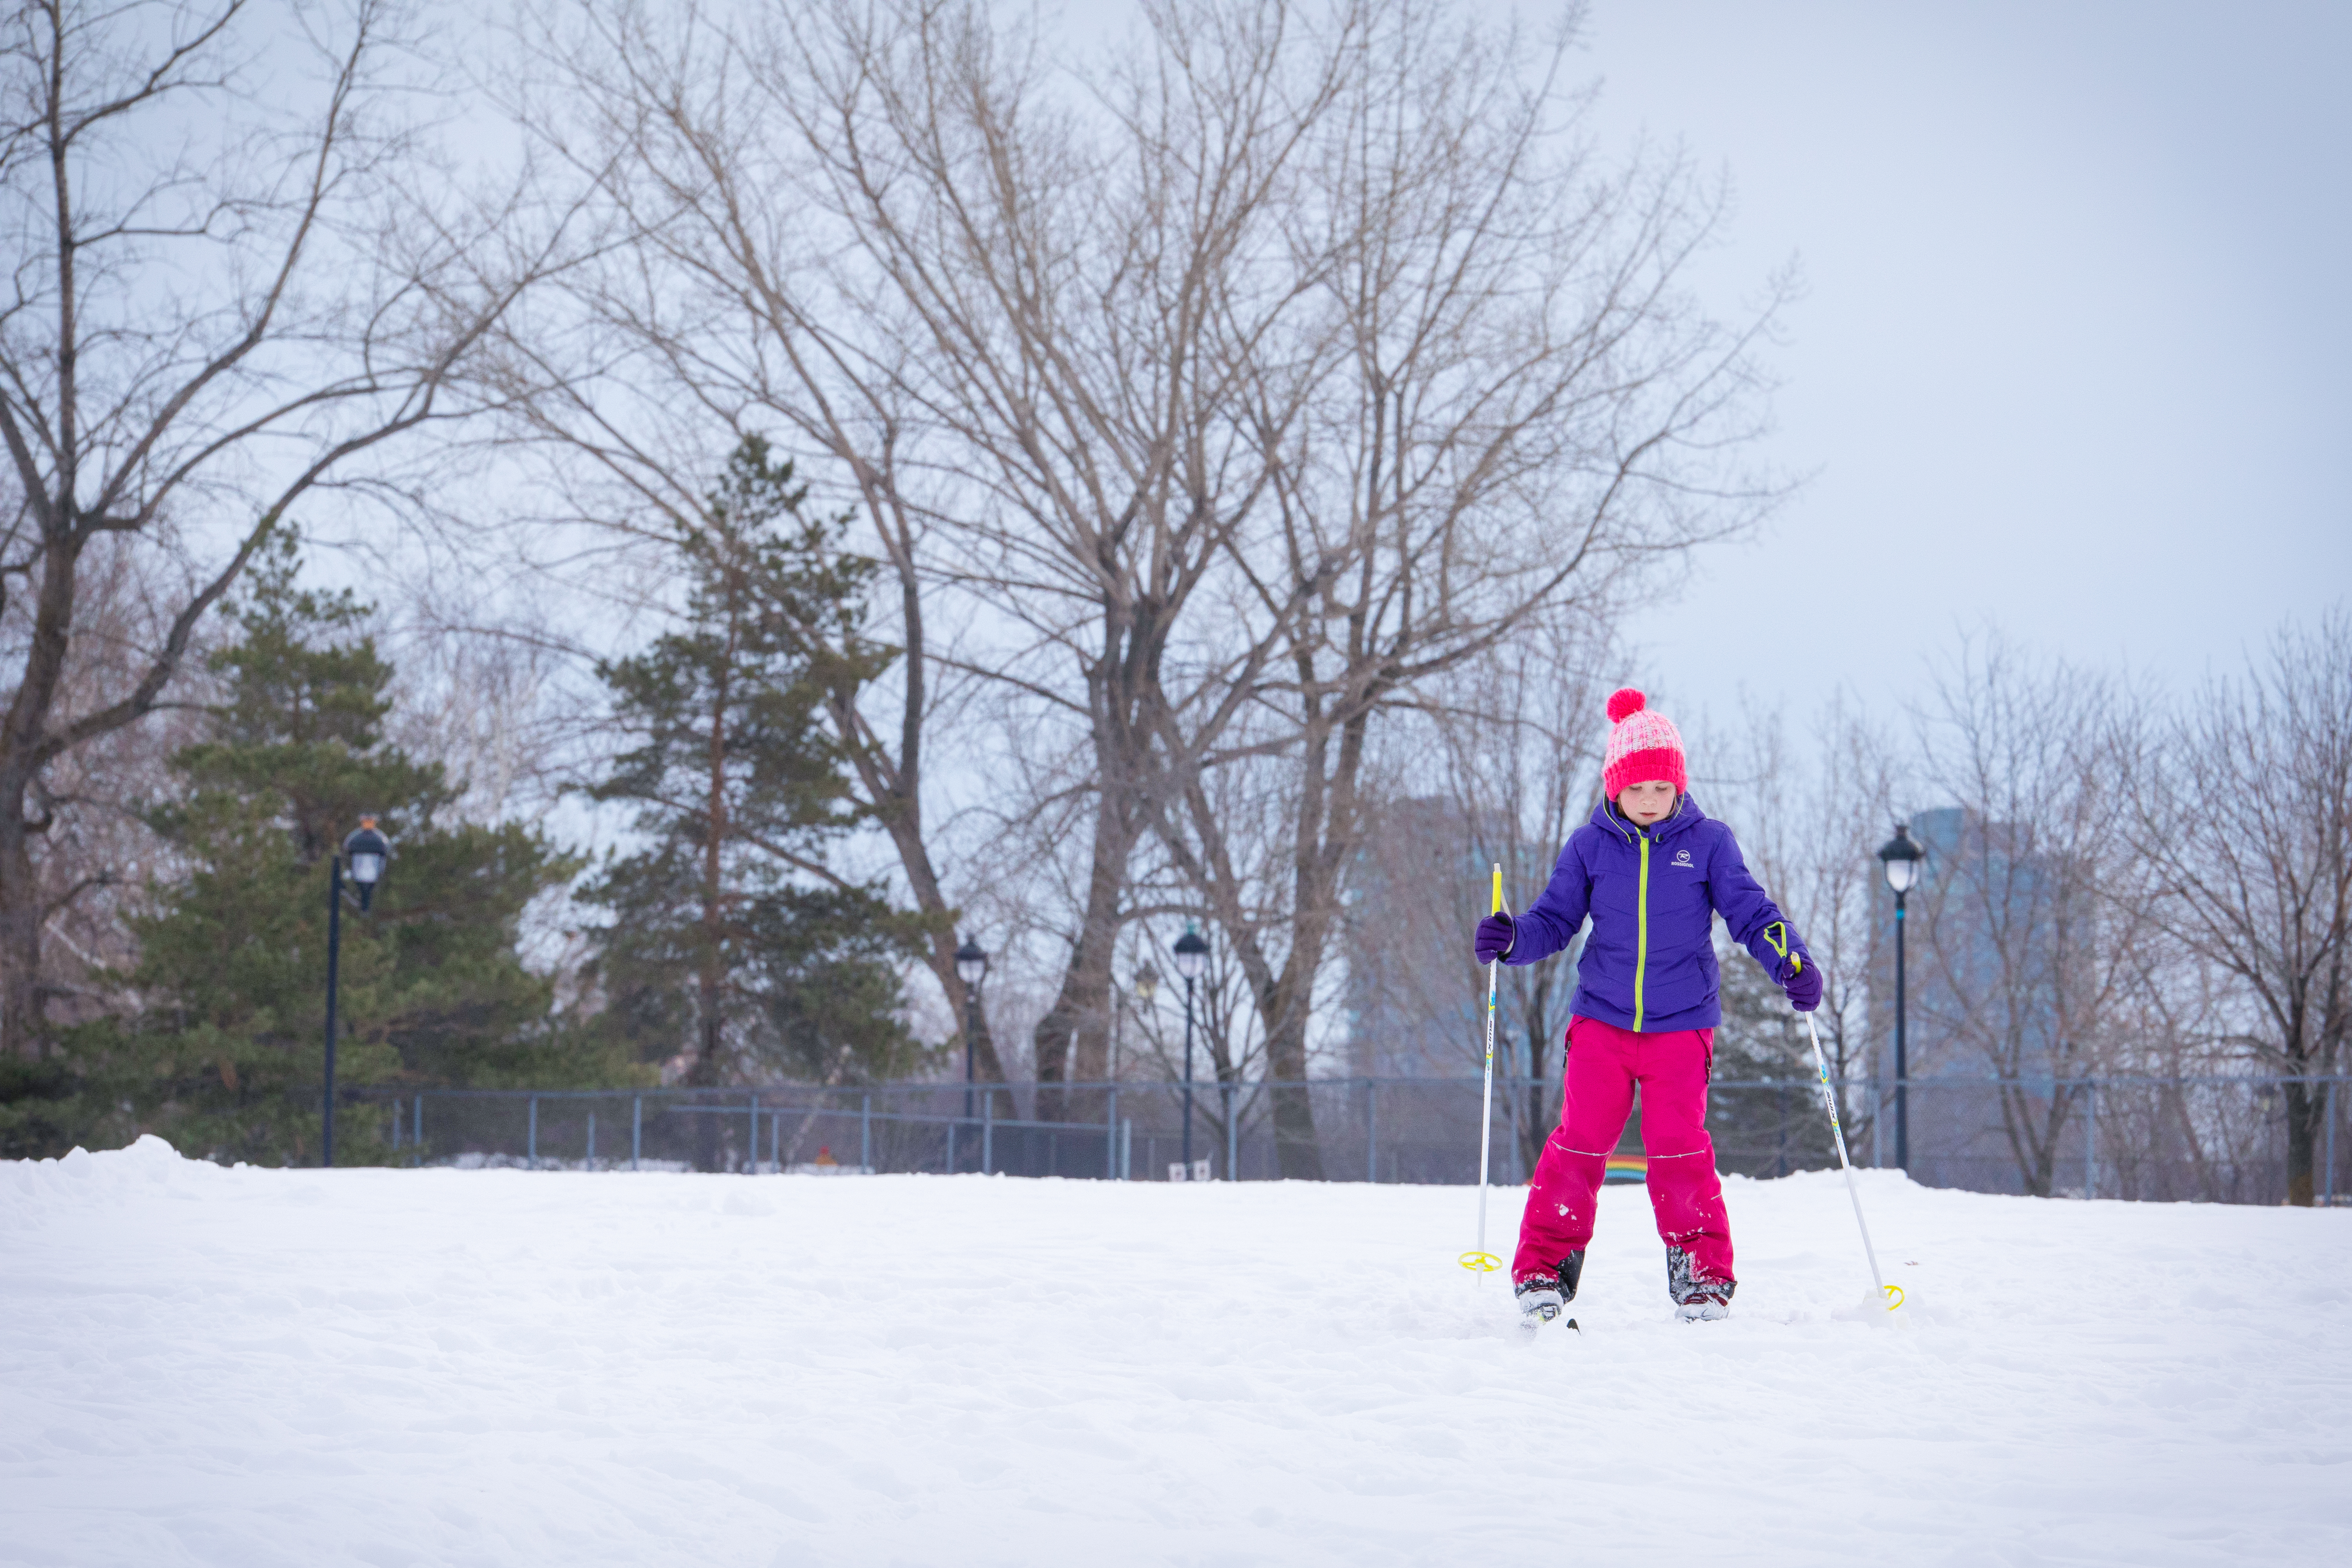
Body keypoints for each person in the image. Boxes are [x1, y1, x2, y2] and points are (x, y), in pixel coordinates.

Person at [1474, 688, 1821, 1324]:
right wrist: (1514, 938)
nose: (1651, 802)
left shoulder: (1710, 843)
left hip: (1683, 1025)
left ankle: (1701, 1272)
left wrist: (1789, 962)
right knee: (1581, 1142)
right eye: (1638, 791)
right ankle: (1544, 1268)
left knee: (1678, 1146)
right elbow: (1554, 920)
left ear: (1678, 786)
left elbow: (1751, 913)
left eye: (1662, 790)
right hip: (1602, 1020)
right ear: (1615, 789)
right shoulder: (1589, 847)